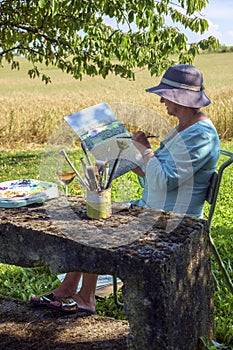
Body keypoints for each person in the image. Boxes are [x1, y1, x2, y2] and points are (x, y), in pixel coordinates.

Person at [30, 64, 220, 314]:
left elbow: (164, 181)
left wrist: (145, 150)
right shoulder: (180, 128)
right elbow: (155, 176)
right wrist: (128, 157)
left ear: (179, 97)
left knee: (99, 223)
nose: (161, 100)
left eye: (165, 94)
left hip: (173, 218)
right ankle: (68, 290)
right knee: (93, 214)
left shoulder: (201, 135)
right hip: (153, 208)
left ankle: (85, 299)